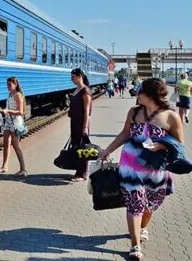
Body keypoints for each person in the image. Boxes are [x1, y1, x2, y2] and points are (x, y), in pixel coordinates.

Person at [101, 78, 184, 261]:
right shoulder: (134, 112)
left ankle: (143, 228)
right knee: (135, 202)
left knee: (151, 203)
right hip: (130, 167)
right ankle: (135, 245)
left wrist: (161, 146)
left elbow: (179, 144)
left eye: (140, 91)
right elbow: (125, 134)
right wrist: (107, 151)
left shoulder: (171, 116)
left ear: (150, 95)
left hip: (156, 170)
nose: (136, 94)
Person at [0, 77, 27, 176]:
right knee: (6, 143)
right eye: (7, 85)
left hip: (15, 123)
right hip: (8, 121)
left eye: (10, 85)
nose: (8, 87)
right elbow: (10, 107)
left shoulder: (18, 95)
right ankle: (4, 165)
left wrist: (8, 111)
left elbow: (21, 112)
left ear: (15, 84)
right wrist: (3, 110)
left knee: (16, 146)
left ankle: (23, 169)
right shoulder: (10, 94)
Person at [68, 68, 92, 182]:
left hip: (82, 122)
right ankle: (78, 171)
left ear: (79, 76)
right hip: (74, 122)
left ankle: (83, 174)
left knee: (83, 148)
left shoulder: (85, 91)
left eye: (73, 77)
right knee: (76, 146)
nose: (71, 79)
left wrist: (85, 127)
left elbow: (87, 111)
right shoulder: (77, 89)